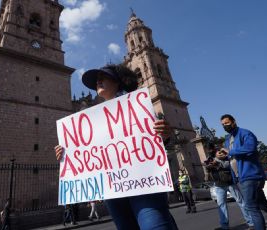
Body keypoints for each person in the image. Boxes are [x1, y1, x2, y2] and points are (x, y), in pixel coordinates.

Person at [55, 64, 177, 230]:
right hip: (113, 190)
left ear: (119, 81)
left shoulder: (138, 106)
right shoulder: (92, 119)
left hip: (144, 183)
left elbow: (154, 142)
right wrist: (66, 155)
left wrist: (164, 135)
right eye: (96, 80)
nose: (98, 81)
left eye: (103, 77)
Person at [205, 147, 253, 230]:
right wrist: (209, 165)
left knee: (241, 202)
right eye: (218, 152)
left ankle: (251, 222)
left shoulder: (227, 158)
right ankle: (224, 226)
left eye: (221, 152)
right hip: (218, 185)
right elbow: (208, 168)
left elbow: (226, 165)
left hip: (230, 183)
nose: (220, 153)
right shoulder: (212, 159)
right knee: (221, 205)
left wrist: (217, 162)